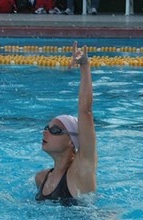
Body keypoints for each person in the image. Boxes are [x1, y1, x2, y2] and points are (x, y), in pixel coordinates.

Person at [35, 41, 97, 206]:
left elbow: (86, 111)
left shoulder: (81, 171)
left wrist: (84, 65)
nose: (45, 132)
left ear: (72, 140)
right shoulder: (41, 179)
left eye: (55, 130)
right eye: (46, 128)